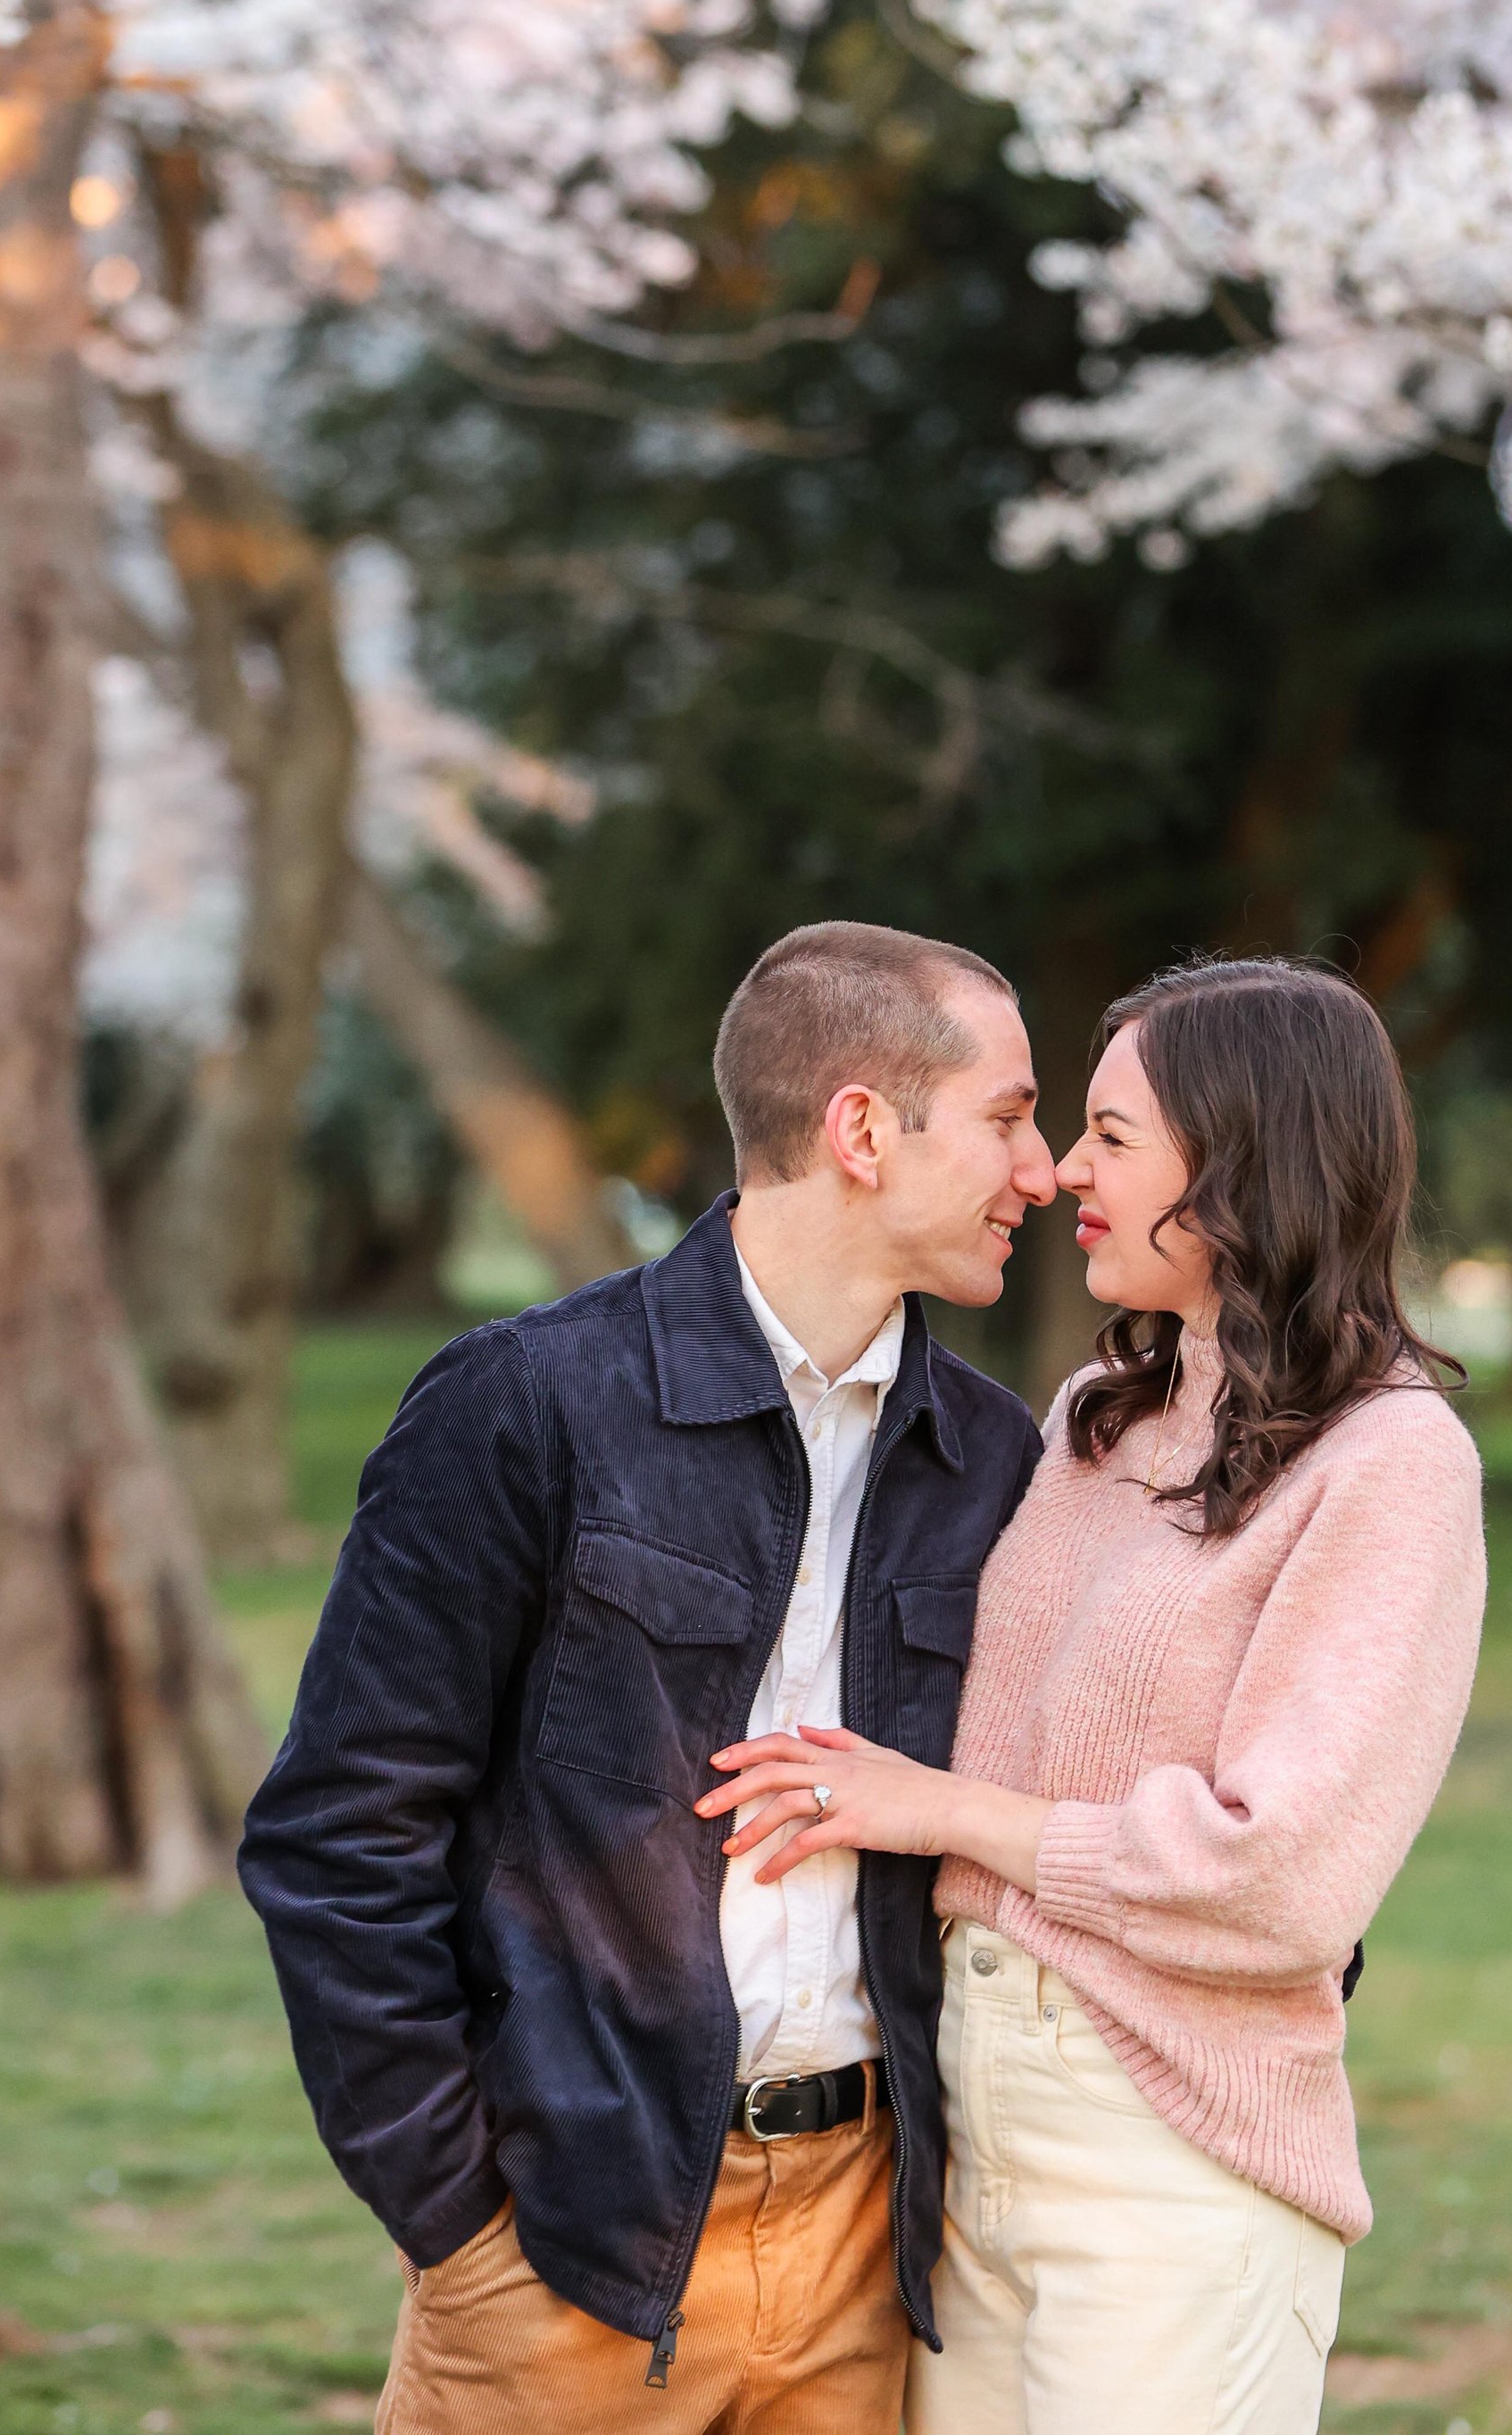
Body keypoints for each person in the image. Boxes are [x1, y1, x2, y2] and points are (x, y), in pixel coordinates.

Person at [239, 920, 1053, 2435]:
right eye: (1011, 1117)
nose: (1049, 1167)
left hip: (871, 2266)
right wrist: (462, 2226)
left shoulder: (996, 1461)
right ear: (863, 1129)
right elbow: (338, 1831)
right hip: (563, 2261)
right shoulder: (526, 1404)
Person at [703, 956, 1487, 2435]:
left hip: (1170, 2152)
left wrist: (947, 1813)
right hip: (960, 2129)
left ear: (1247, 1162)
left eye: (1112, 1137)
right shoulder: (1091, 1421)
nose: (1061, 1167)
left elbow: (1288, 1875)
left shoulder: (1392, 1466)